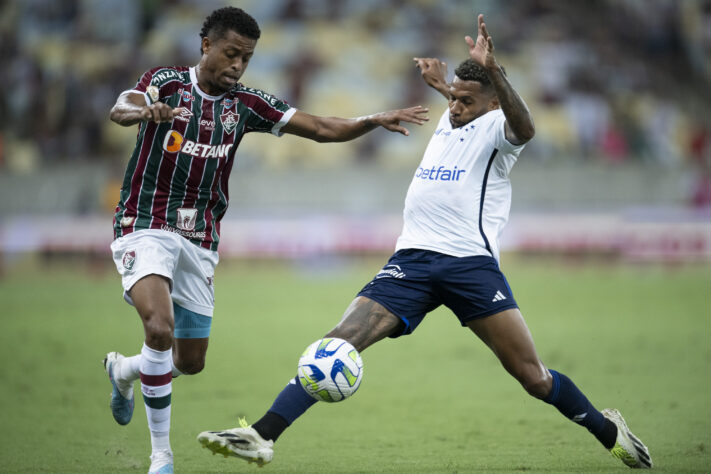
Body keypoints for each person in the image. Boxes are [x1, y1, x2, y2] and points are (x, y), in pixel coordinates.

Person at [197, 13, 652, 470]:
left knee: (532, 378)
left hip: (469, 266)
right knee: (336, 343)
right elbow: (463, 101)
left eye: (465, 101)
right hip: (411, 261)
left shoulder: (501, 131)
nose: (453, 108)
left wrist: (492, 70)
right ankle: (260, 435)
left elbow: (524, 126)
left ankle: (609, 432)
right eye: (451, 98)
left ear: (491, 103)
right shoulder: (456, 114)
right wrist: (444, 85)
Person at [102, 7, 428, 474]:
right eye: (231, 54)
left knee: (190, 362)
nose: (237, 66)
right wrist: (144, 110)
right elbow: (121, 107)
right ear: (206, 46)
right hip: (145, 222)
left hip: (201, 238)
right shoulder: (166, 81)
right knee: (159, 327)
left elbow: (319, 128)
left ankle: (125, 370)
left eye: (247, 58)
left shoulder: (247, 104)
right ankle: (162, 458)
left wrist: (373, 118)